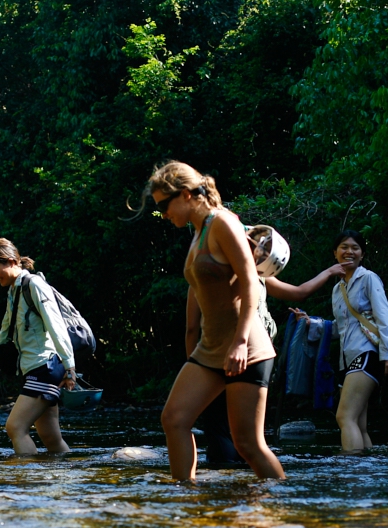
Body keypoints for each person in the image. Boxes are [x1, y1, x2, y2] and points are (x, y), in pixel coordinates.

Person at [146, 161, 285, 481]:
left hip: (245, 347)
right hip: (211, 349)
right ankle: (187, 500)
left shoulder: (223, 223)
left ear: (185, 195)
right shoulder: (198, 233)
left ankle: (280, 505)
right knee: (174, 419)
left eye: (164, 206)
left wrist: (238, 342)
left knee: (248, 444)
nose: (164, 214)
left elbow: (251, 282)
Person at [199, 262, 349, 466]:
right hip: (260, 357)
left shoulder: (212, 275)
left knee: (218, 424)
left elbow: (193, 328)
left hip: (226, 353)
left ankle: (227, 478)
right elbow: (299, 292)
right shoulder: (260, 276)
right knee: (249, 432)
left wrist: (198, 365)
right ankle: (264, 481)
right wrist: (329, 271)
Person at [0, 238, 75, 455]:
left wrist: (70, 367)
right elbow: (3, 337)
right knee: (50, 436)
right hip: (36, 369)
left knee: (15, 427)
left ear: (10, 261)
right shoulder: (14, 292)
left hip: (45, 368)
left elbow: (56, 327)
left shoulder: (34, 285)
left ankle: (29, 481)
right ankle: (65, 483)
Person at [327, 230, 388, 452]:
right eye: (344, 247)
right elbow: (342, 328)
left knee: (344, 416)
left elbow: (384, 318)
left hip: (367, 353)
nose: (349, 251)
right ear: (335, 253)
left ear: (362, 254)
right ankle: (366, 475)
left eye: (355, 248)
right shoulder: (337, 289)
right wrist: (312, 324)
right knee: (359, 423)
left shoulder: (368, 278)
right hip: (348, 358)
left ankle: (351, 474)